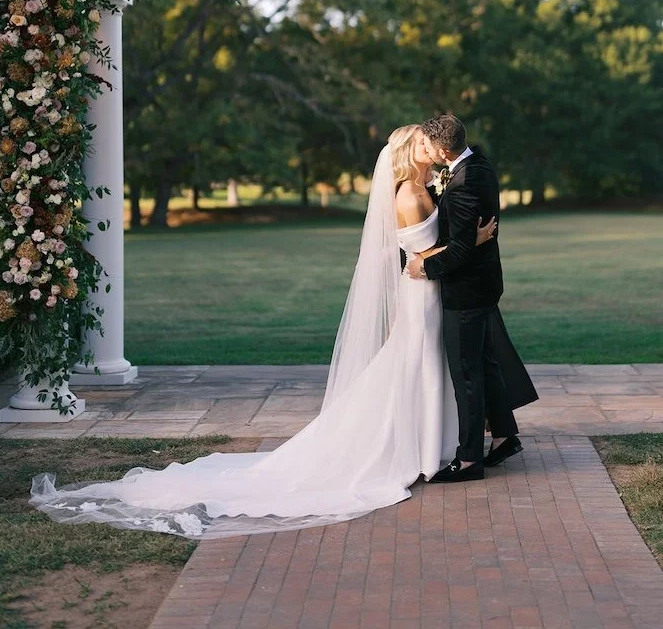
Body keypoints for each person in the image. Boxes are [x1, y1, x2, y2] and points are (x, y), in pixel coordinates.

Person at [29, 125, 493, 539]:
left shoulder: (421, 186)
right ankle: (420, 449)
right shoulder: (410, 195)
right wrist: (474, 240)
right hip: (425, 292)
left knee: (425, 364)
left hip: (431, 292)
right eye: (425, 144)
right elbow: (427, 254)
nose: (433, 150)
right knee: (418, 366)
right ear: (413, 151)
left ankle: (432, 445)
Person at [407, 113, 536, 483]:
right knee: (484, 361)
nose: (426, 150)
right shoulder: (477, 164)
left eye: (429, 145)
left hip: (466, 291)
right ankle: (504, 438)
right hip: (482, 285)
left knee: (466, 373)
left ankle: (467, 460)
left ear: (443, 150)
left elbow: (460, 249)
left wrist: (423, 268)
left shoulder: (464, 182)